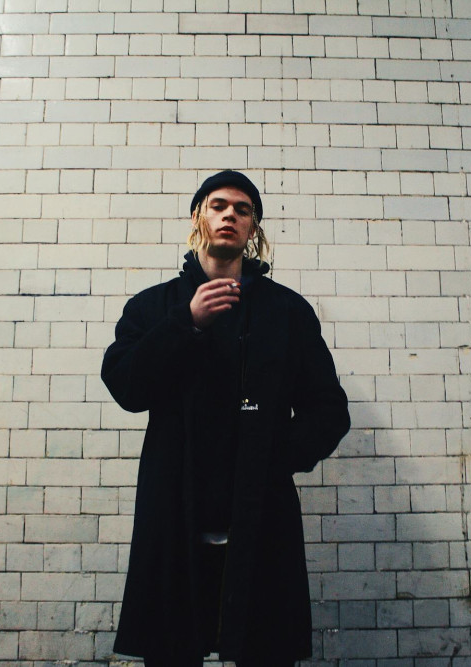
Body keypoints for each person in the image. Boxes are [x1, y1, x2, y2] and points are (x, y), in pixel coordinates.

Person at [101, 170, 350, 667]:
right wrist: (185, 323)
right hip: (177, 507)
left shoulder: (286, 311)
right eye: (218, 205)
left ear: (253, 227)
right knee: (173, 651)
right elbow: (127, 387)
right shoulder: (154, 307)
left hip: (259, 512)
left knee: (265, 650)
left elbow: (328, 410)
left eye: (242, 209)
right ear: (199, 217)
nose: (230, 215)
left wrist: (274, 458)